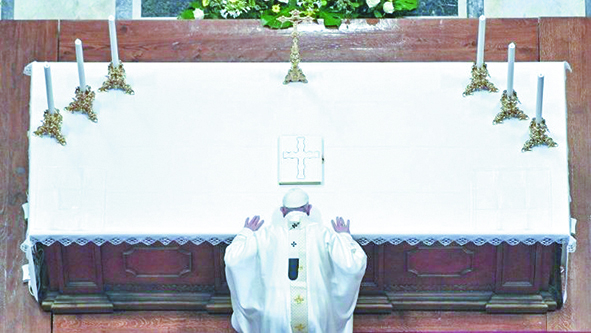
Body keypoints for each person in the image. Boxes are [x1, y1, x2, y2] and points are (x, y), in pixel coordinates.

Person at [224, 188, 367, 333]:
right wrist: (344, 236)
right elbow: (353, 264)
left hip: (274, 312)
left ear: (283, 211)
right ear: (309, 209)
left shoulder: (264, 235)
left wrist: (246, 232)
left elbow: (233, 259)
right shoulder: (324, 234)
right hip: (316, 313)